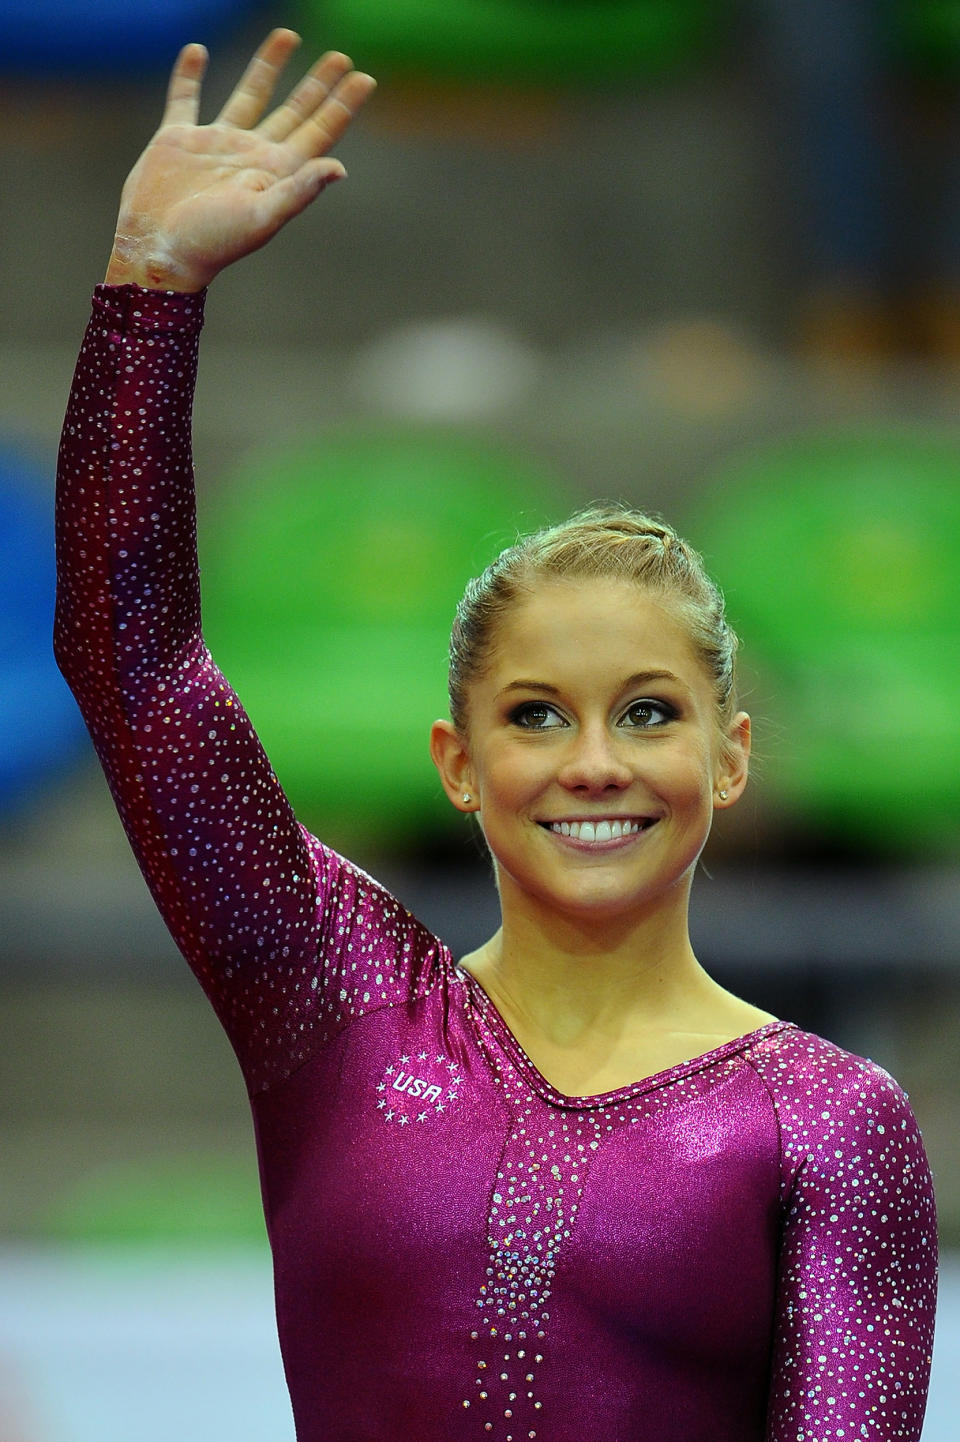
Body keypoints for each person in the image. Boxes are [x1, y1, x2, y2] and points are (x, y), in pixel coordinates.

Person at [54, 28, 938, 1442]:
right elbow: (137, 670)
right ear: (459, 762)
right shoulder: (335, 1005)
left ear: (730, 755)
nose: (595, 761)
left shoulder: (828, 1119)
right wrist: (147, 295)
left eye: (649, 712)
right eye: (537, 714)